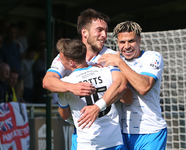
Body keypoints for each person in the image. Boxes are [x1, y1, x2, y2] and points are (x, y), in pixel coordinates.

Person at [42, 8, 127, 149]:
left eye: (106, 31)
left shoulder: (111, 56)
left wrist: (97, 107)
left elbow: (121, 85)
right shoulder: (67, 56)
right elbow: (47, 81)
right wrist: (72, 87)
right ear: (84, 32)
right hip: (84, 134)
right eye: (99, 30)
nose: (104, 35)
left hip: (112, 132)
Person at [98, 21, 168, 150]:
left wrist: (119, 63)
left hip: (150, 132)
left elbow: (144, 87)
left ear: (139, 40)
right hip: (121, 132)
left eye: (131, 41)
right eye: (122, 42)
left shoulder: (152, 57)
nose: (127, 46)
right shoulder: (112, 61)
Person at [57, 38, 132, 150]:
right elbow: (124, 90)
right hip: (114, 142)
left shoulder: (64, 84)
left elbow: (65, 115)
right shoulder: (106, 72)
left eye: (61, 58)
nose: (59, 60)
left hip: (88, 144)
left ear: (71, 62)